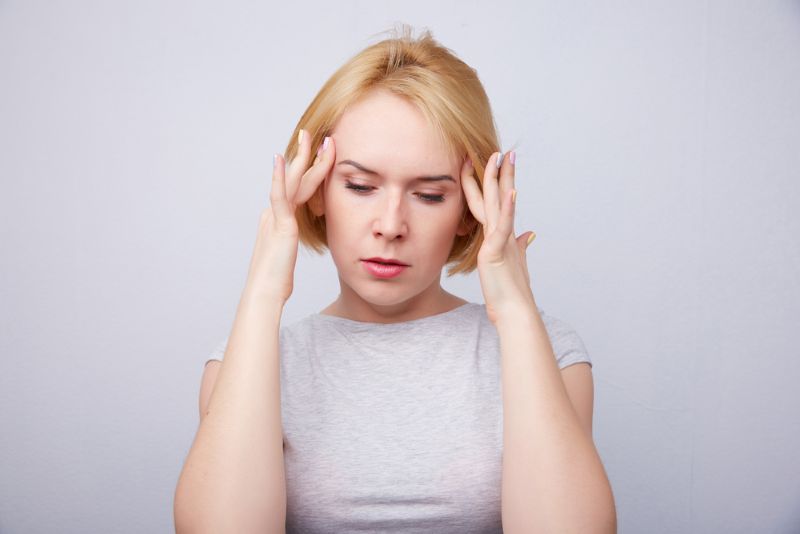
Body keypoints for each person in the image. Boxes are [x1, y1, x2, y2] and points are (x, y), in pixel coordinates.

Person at [174, 25, 617, 533]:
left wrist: (514, 309)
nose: (390, 225)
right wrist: (263, 290)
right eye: (360, 186)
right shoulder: (243, 362)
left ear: (471, 210)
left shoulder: (552, 354)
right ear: (315, 190)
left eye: (429, 195)